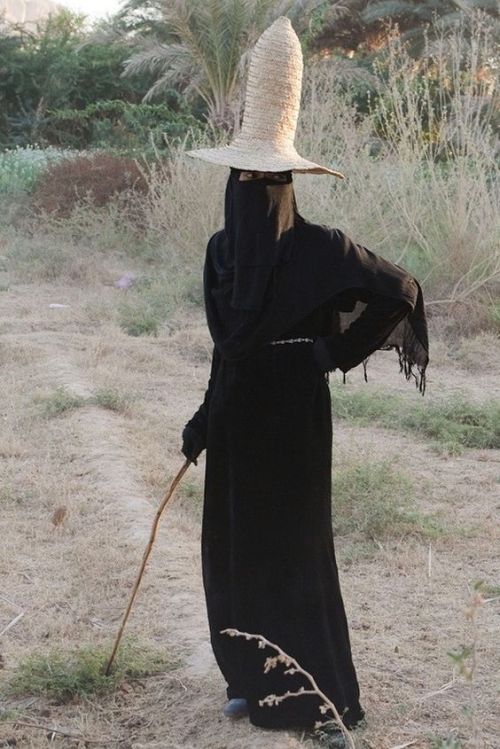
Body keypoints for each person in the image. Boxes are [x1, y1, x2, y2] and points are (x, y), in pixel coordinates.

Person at [181, 17, 429, 743]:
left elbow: (401, 291)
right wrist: (203, 420)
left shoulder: (323, 249)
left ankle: (316, 696)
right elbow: (228, 350)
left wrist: (330, 355)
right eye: (245, 178)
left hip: (293, 415)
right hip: (236, 415)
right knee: (235, 547)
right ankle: (251, 679)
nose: (255, 191)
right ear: (234, 181)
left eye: (266, 178)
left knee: (291, 548)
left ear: (284, 181)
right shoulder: (221, 252)